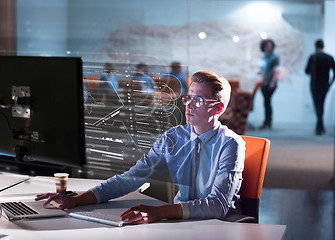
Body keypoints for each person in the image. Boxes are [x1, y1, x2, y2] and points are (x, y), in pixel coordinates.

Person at [35, 71, 245, 224]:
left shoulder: (230, 144)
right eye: (188, 98)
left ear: (218, 108)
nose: (188, 105)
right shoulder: (173, 137)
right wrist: (78, 199)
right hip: (178, 222)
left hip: (221, 226)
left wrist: (160, 211)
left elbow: (218, 205)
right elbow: (132, 178)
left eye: (198, 100)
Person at [305, 39, 335, 135]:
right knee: (321, 104)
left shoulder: (313, 57)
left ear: (316, 46)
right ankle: (320, 126)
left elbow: (306, 71)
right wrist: (331, 82)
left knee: (317, 105)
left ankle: (319, 127)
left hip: (314, 85)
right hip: (325, 85)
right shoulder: (329, 58)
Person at [259, 39, 280, 130]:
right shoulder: (263, 58)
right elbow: (262, 70)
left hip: (271, 83)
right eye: (266, 46)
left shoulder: (275, 57)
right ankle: (266, 121)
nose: (268, 48)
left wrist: (273, 82)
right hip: (264, 82)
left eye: (269, 46)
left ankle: (268, 122)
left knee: (268, 101)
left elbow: (277, 71)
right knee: (266, 102)